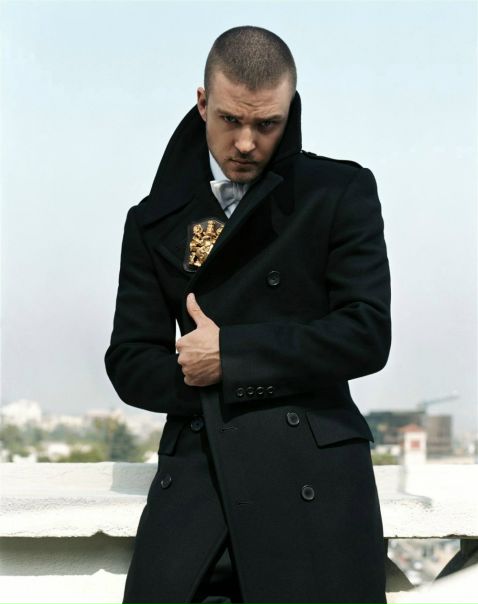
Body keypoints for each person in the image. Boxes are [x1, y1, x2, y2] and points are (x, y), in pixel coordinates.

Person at [105, 25, 391, 604]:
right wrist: (211, 389)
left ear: (291, 109)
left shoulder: (339, 191)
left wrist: (232, 358)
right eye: (230, 119)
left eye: (267, 125)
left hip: (315, 485)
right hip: (201, 481)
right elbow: (130, 361)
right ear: (202, 103)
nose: (245, 143)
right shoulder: (153, 219)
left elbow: (366, 333)